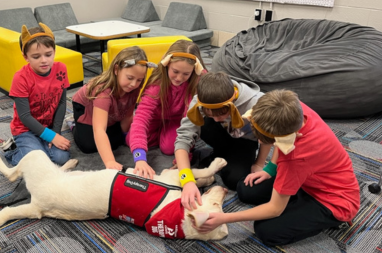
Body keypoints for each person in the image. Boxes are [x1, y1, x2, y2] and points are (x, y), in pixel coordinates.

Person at [195, 89, 360, 246]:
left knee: (267, 231)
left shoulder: (296, 158)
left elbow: (274, 209)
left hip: (334, 201)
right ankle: (294, 200)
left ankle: (331, 219)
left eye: (265, 140)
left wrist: (223, 218)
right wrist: (270, 170)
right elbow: (282, 142)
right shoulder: (292, 109)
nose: (260, 142)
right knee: (245, 188)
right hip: (309, 179)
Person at [174, 71, 272, 210]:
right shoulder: (200, 101)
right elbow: (183, 138)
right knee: (205, 125)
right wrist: (186, 180)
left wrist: (259, 163)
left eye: (222, 114)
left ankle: (221, 157)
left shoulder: (256, 103)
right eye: (211, 114)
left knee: (234, 180)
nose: (217, 119)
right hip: (220, 134)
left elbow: (269, 137)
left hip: (245, 139)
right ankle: (220, 154)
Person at [0, 23, 71, 206]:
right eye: (36, 56)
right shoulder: (20, 78)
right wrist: (50, 136)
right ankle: (13, 151)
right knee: (38, 164)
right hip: (25, 129)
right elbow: (24, 116)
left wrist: (56, 133)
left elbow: (62, 104)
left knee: (61, 158)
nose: (44, 60)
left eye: (48, 54)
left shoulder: (61, 69)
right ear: (26, 57)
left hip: (48, 127)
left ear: (54, 51)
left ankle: (36, 147)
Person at [126, 40, 207, 179]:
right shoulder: (157, 84)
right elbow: (141, 119)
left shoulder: (195, 83)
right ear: (167, 64)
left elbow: (191, 122)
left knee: (170, 148)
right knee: (133, 140)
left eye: (186, 74)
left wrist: (184, 154)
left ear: (195, 70)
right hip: (155, 119)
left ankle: (164, 135)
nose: (179, 78)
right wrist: (140, 158)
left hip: (178, 121)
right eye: (175, 71)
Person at [71, 46, 154, 170]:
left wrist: (126, 135)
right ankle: (73, 126)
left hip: (110, 109)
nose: (134, 84)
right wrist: (110, 162)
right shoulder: (103, 91)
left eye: (139, 80)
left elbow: (128, 115)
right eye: (130, 78)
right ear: (116, 69)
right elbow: (99, 129)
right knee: (88, 146)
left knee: (117, 141)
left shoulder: (134, 87)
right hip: (85, 107)